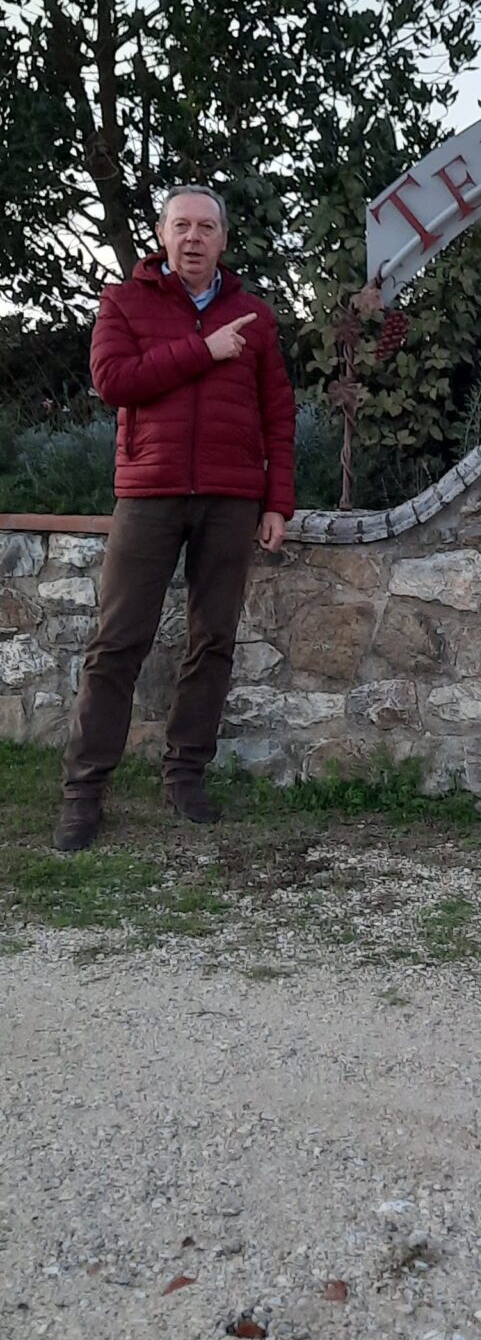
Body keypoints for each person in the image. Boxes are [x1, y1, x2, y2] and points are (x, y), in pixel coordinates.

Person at [53, 186, 296, 852]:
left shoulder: (254, 316)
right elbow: (113, 381)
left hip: (230, 497)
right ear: (162, 234)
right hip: (149, 493)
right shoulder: (123, 301)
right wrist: (201, 351)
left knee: (213, 640)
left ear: (223, 238)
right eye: (181, 226)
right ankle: (84, 793)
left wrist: (278, 501)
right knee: (117, 643)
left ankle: (186, 775)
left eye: (206, 227)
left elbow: (279, 411)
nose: (193, 237)